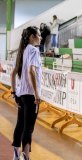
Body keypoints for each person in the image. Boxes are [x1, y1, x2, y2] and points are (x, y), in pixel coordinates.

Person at [11, 26, 42, 160]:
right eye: (39, 35)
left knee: (20, 125)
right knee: (28, 128)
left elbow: (12, 74)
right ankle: (26, 156)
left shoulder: (22, 51)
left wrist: (13, 92)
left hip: (20, 94)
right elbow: (31, 71)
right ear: (32, 37)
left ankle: (16, 155)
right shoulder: (34, 50)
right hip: (30, 95)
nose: (40, 37)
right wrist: (36, 93)